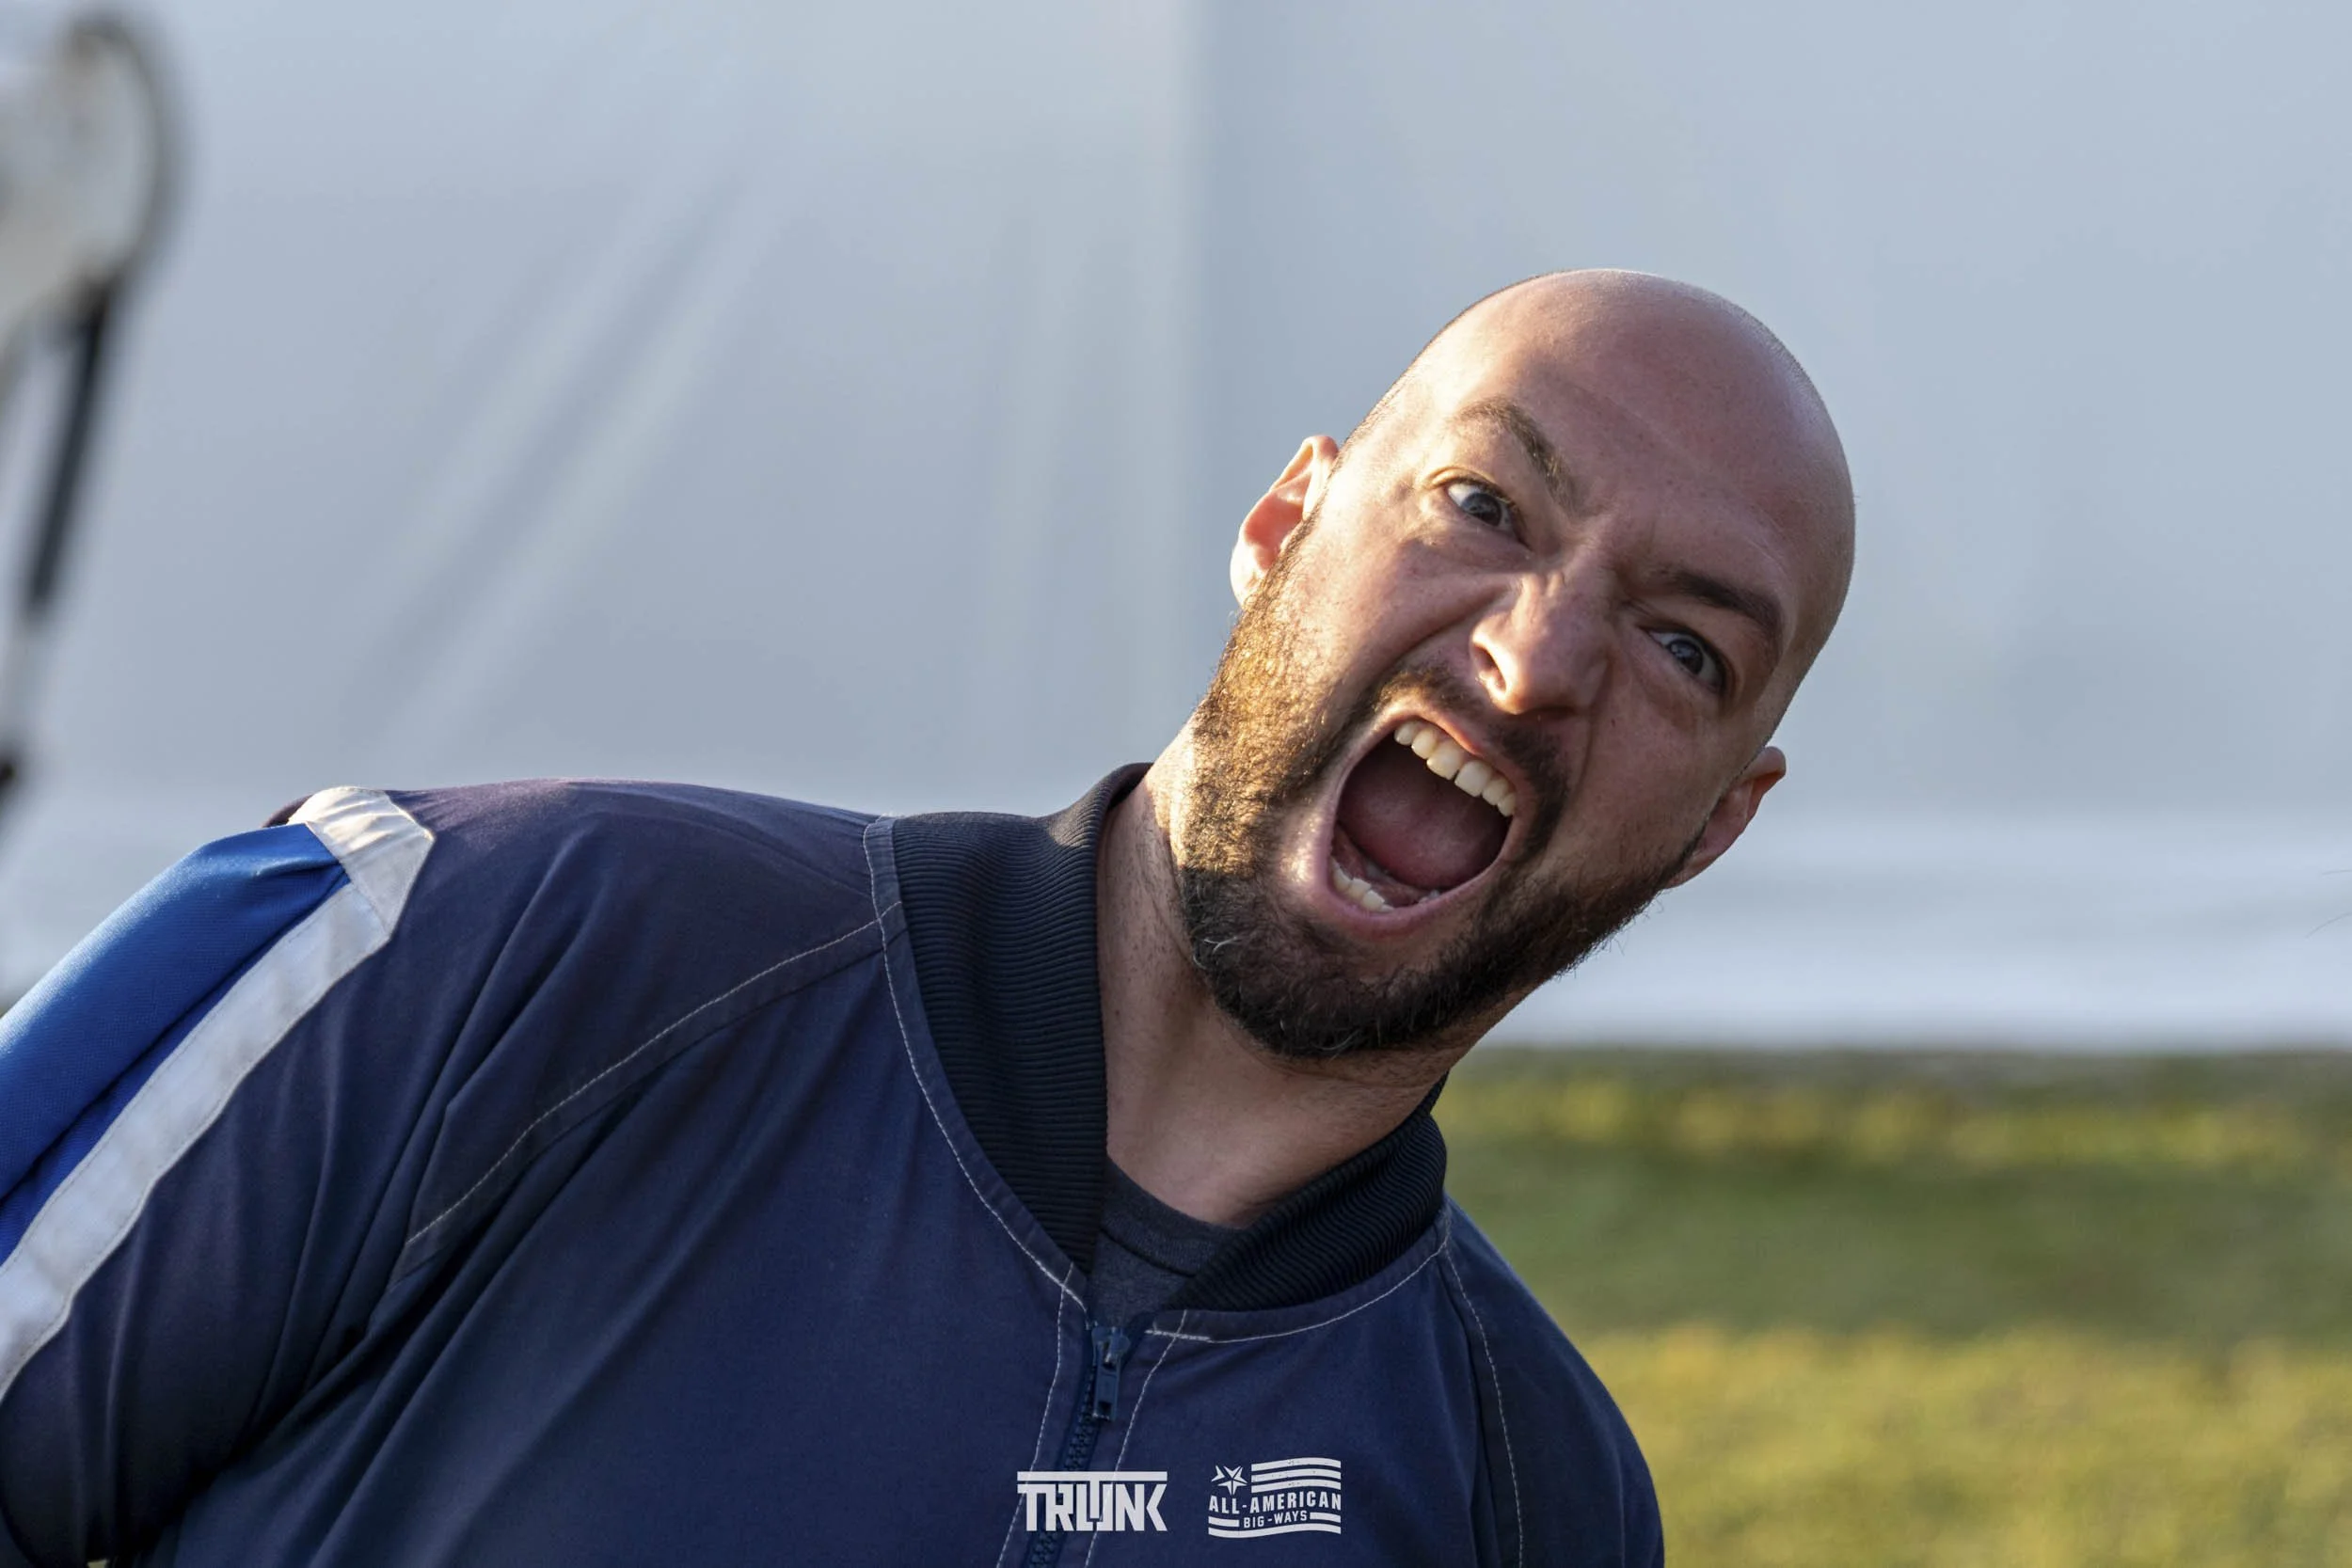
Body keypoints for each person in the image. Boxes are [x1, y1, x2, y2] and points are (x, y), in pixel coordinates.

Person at [0, 269, 1852, 1566]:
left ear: (1714, 822)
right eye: (1480, 502)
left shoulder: (1525, 1493)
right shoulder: (484, 945)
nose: (1536, 656)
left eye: (1684, 645)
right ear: (1286, 522)